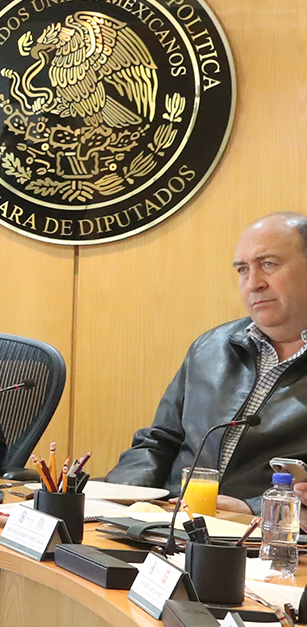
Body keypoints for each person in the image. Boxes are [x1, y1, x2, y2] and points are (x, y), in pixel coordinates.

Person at [108, 214, 307, 513]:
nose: (253, 283)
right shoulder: (211, 348)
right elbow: (159, 440)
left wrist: (251, 508)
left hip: (264, 530)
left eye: (269, 264)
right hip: (171, 520)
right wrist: (120, 502)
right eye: (243, 269)